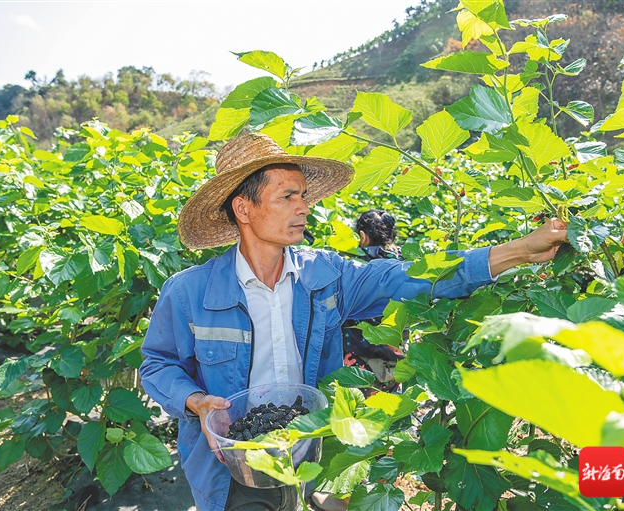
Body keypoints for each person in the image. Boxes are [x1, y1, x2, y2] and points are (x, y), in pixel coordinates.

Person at [139, 131, 568, 511]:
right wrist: (197, 402)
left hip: (308, 455)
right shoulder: (190, 292)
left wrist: (515, 251)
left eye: (304, 195)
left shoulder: (325, 277)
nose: (304, 208)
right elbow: (157, 364)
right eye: (287, 196)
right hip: (233, 466)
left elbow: (408, 278)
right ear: (244, 209)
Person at [341, 210, 405, 396]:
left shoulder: (355, 265)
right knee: (391, 407)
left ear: (362, 236)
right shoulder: (404, 262)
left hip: (360, 357)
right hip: (395, 355)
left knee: (358, 404)